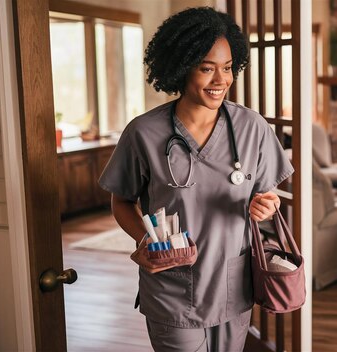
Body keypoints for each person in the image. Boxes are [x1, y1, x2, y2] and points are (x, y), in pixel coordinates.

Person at [98, 7, 293, 352]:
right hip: (171, 288)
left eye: (228, 68)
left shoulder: (253, 128)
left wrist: (267, 205)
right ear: (180, 67)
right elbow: (122, 200)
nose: (221, 80)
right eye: (207, 68)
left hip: (233, 286)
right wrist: (147, 241)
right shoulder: (143, 133)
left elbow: (265, 195)